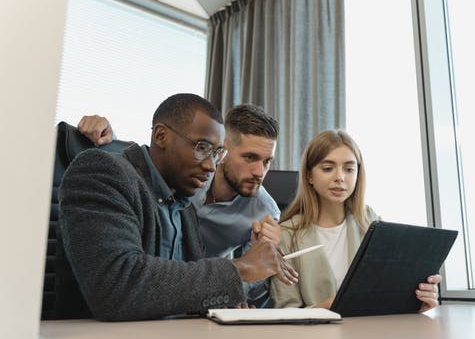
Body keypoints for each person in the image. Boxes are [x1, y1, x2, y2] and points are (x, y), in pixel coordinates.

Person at [58, 94, 298, 321]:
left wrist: (229, 303)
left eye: (216, 153)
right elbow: (117, 286)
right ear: (161, 136)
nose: (211, 166)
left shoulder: (182, 204)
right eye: (202, 148)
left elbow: (182, 285)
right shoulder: (102, 170)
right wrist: (241, 267)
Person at [270, 129, 442, 312]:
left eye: (349, 169)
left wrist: (417, 303)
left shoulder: (371, 222)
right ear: (309, 175)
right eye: (328, 168)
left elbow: (385, 293)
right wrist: (326, 307)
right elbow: (285, 311)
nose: (339, 178)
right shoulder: (287, 234)